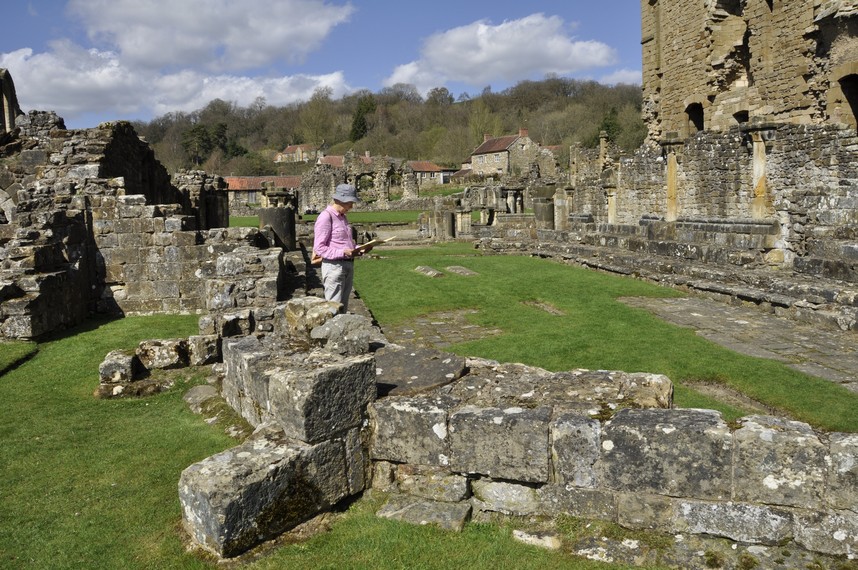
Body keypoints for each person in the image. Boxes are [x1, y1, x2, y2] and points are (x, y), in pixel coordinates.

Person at [313, 183, 372, 312]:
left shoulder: (342, 218)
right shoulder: (325, 217)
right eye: (350, 203)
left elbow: (345, 243)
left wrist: (360, 248)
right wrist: (343, 252)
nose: (351, 206)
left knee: (343, 309)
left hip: (347, 265)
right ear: (340, 200)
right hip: (334, 267)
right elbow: (319, 248)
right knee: (333, 309)